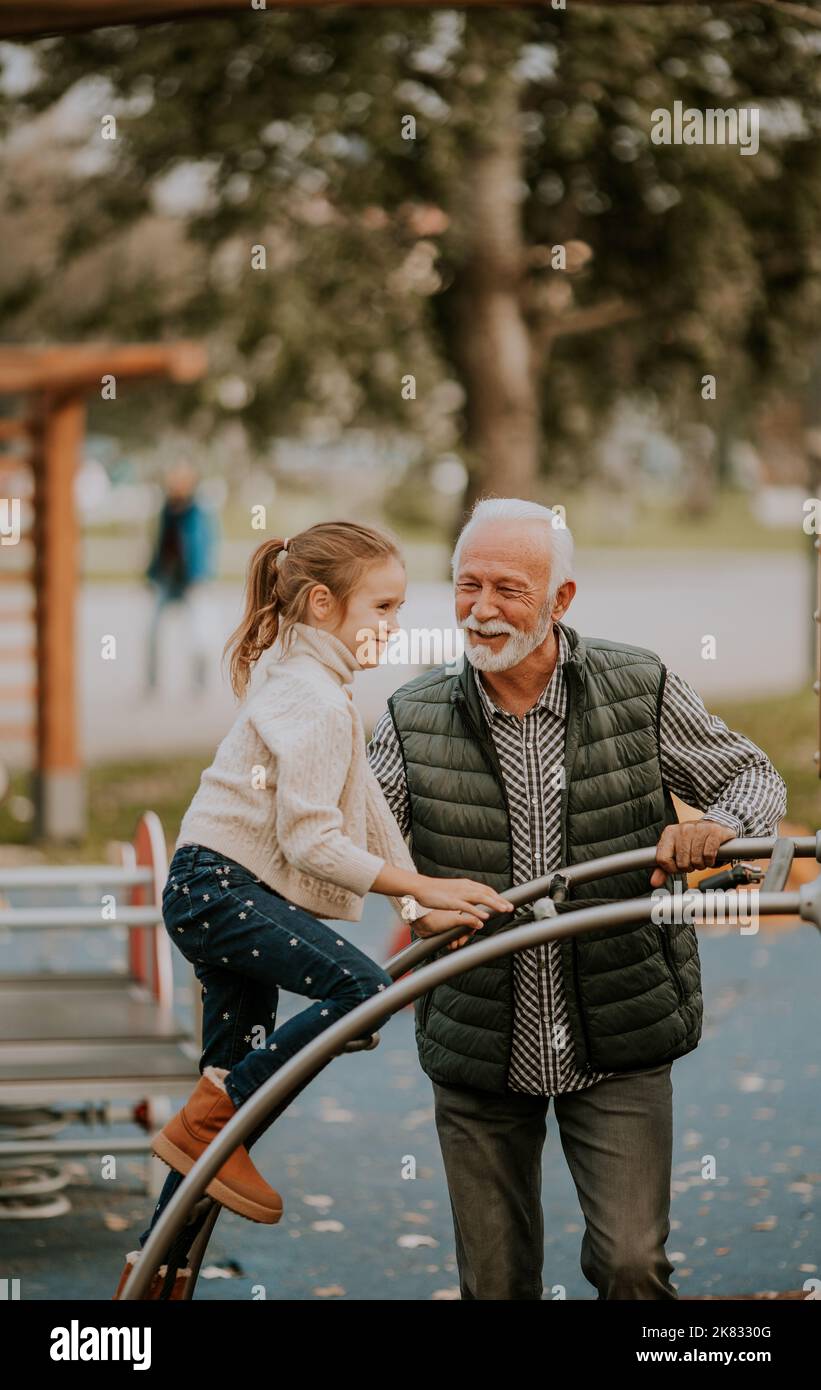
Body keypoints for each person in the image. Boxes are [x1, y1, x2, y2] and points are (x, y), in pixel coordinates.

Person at [368, 496, 787, 1300]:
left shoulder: (638, 686)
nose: (481, 610)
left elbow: (752, 777)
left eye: (507, 589)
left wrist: (719, 827)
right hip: (479, 1034)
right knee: (495, 1284)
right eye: (466, 586)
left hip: (619, 1028)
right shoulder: (409, 717)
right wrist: (410, 900)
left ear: (560, 601)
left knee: (632, 1265)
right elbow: (357, 841)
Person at [113, 521, 512, 1297]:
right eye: (383, 608)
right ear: (323, 603)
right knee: (362, 995)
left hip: (216, 889)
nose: (393, 628)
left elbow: (360, 799)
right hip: (221, 891)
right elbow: (311, 841)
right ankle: (210, 1115)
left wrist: (414, 889)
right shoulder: (313, 697)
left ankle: (158, 1268)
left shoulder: (306, 674)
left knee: (228, 1105)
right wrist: (419, 890)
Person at [144, 462, 218, 695]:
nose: (176, 485)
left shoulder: (200, 512)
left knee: (199, 635)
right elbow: (161, 545)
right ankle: (152, 683)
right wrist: (151, 573)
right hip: (167, 579)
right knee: (151, 632)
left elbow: (207, 545)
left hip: (192, 580)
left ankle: (199, 682)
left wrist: (202, 576)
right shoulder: (168, 510)